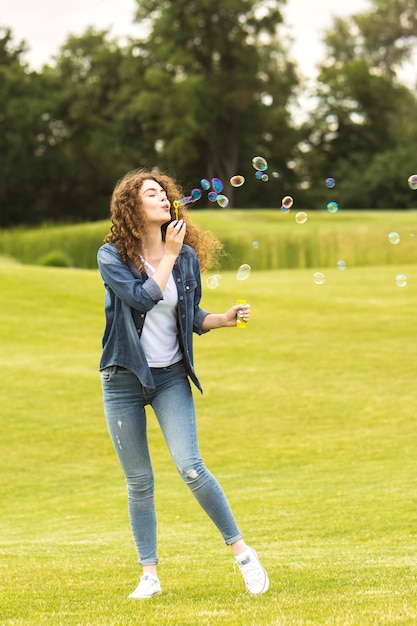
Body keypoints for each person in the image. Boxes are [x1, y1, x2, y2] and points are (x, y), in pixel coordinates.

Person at [97, 168, 269, 598]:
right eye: (150, 193)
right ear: (132, 208)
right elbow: (141, 298)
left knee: (191, 466)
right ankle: (149, 576)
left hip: (171, 377)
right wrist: (169, 253)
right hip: (122, 379)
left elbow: (188, 316)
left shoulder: (187, 257)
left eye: (162, 192)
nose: (161, 198)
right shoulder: (112, 256)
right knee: (139, 481)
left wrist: (221, 320)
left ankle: (244, 555)